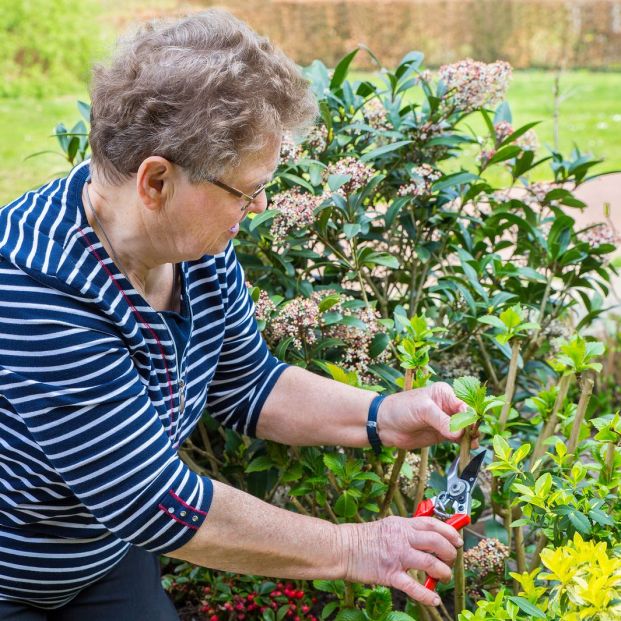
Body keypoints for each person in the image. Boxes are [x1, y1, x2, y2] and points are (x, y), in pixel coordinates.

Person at [0, 10, 470, 620]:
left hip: (101, 552)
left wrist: (384, 415)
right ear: (156, 181)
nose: (259, 205)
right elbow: (154, 500)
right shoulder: (36, 291)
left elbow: (247, 382)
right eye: (246, 191)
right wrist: (352, 546)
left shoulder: (190, 245)